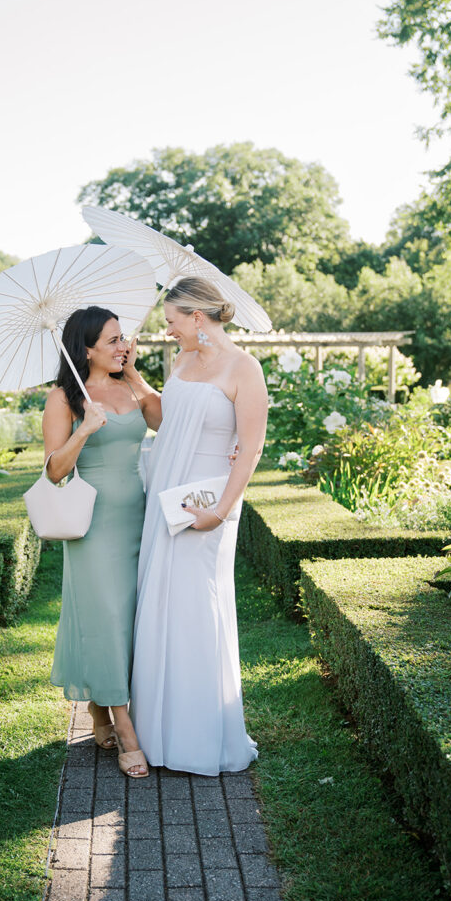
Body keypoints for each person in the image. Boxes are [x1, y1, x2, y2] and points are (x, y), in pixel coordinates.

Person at [131, 277, 268, 776]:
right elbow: (170, 422)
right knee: (160, 600)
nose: (166, 332)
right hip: (167, 495)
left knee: (197, 605)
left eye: (170, 322)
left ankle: (199, 734)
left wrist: (222, 509)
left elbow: (250, 448)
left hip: (209, 505)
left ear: (196, 317)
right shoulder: (182, 363)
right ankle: (155, 732)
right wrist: (133, 380)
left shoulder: (244, 368)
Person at [43, 306, 161, 777]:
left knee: (131, 616)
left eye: (123, 338)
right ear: (85, 349)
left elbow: (162, 421)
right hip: (92, 524)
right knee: (107, 617)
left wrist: (134, 373)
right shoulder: (62, 398)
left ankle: (98, 707)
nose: (122, 345)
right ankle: (125, 728)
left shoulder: (129, 383)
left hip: (139, 514)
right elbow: (54, 470)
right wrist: (84, 430)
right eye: (112, 341)